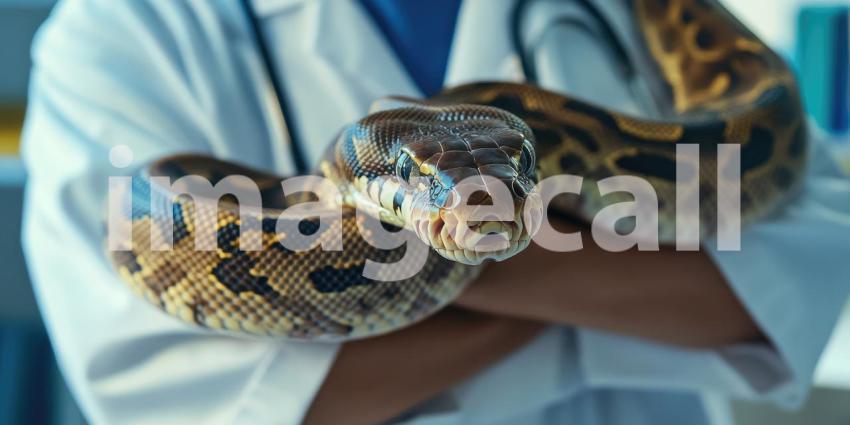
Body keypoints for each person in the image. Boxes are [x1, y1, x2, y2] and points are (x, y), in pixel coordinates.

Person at [21, 0, 850, 424]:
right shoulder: (120, 33)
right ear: (348, 172)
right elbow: (196, 397)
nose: (478, 216)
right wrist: (629, 292)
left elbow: (805, 266)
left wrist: (377, 295)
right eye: (423, 188)